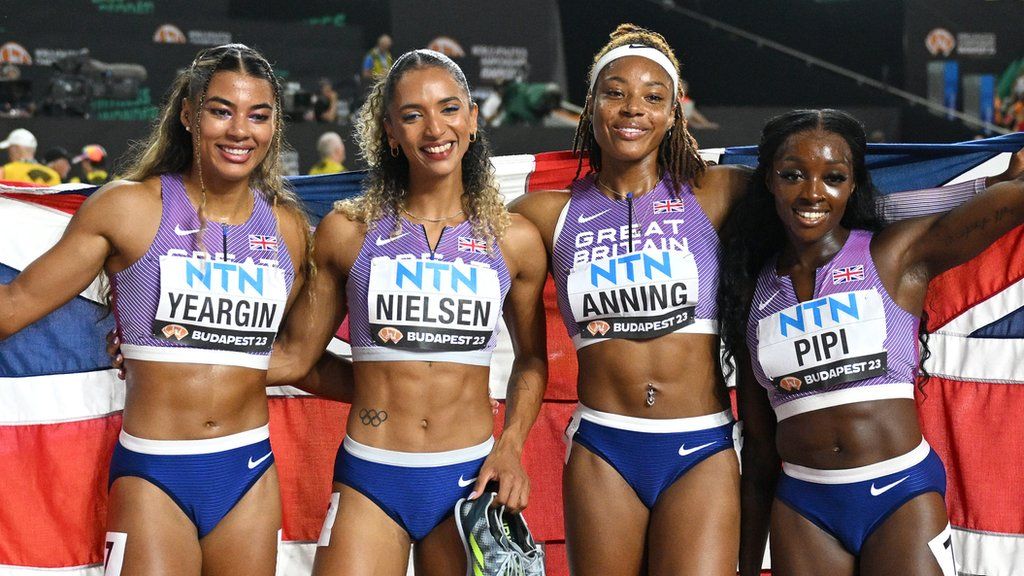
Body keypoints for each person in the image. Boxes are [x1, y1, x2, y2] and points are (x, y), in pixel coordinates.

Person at [0, 44, 313, 575]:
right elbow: (14, 305)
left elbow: (297, 357)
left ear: (274, 126)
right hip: (154, 473)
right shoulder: (130, 208)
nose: (240, 130)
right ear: (189, 115)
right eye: (221, 110)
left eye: (258, 115)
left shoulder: (287, 230)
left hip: (250, 471)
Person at [268, 49, 549, 575]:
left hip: (471, 480)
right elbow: (295, 359)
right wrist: (176, 352)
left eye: (448, 109)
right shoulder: (347, 231)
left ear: (472, 118)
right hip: (371, 474)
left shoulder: (514, 240)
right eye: (413, 114)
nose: (434, 128)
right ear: (390, 132)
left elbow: (532, 360)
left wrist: (511, 445)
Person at [718, 109, 1024, 575]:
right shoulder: (749, 291)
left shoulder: (894, 255)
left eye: (833, 177)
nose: (812, 192)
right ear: (768, 181)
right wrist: (743, 565)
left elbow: (1013, 199)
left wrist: (1005, 178)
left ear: (853, 185)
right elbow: (759, 451)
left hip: (900, 494)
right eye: (793, 175)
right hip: (805, 507)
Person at [510, 24, 749, 575]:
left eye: (653, 97)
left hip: (701, 445)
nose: (632, 109)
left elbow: (820, 193)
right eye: (615, 92)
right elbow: (452, 235)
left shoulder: (718, 193)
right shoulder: (544, 214)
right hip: (605, 447)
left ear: (673, 115)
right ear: (589, 106)